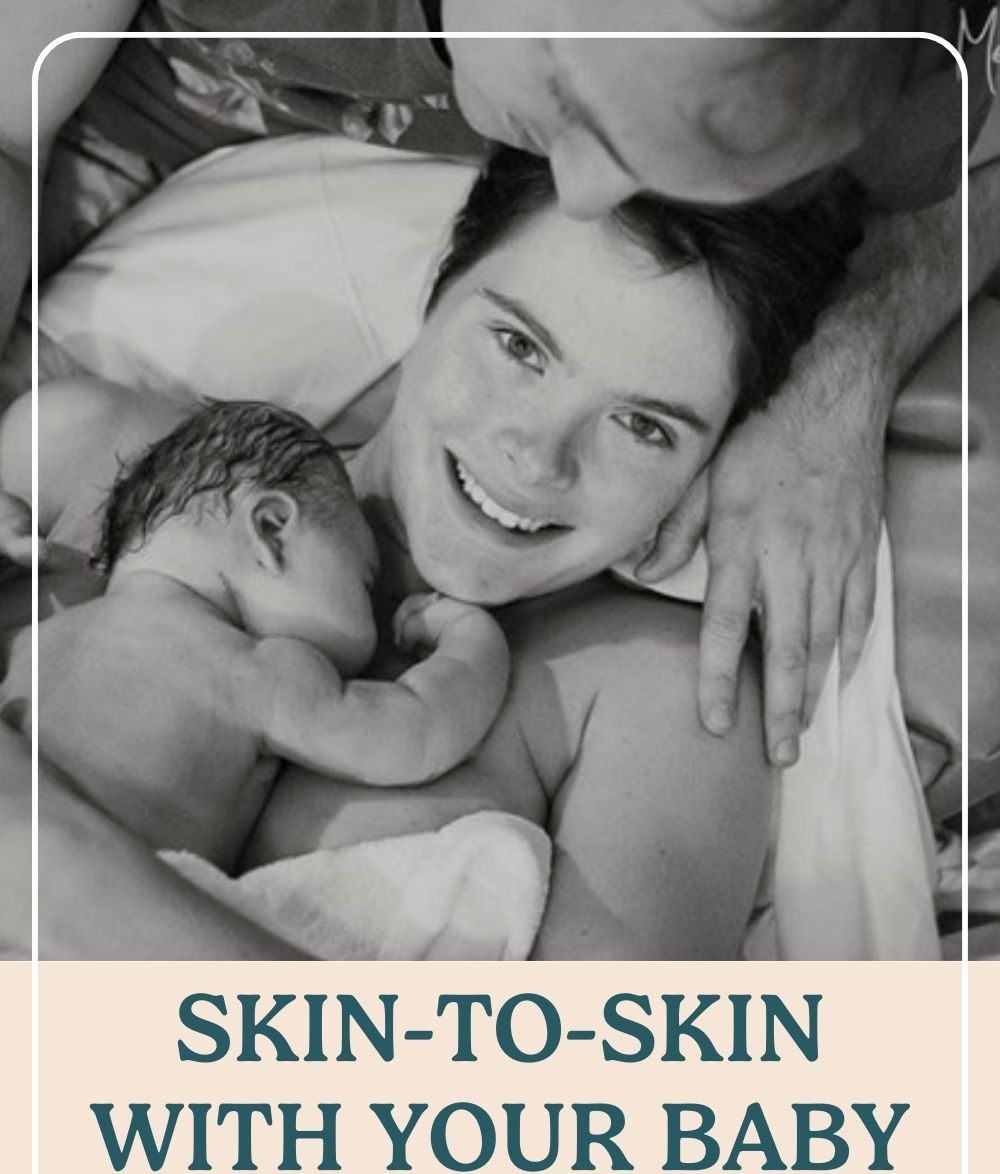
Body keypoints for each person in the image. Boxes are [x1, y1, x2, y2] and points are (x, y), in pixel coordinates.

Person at [0, 1, 994, 770]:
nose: (591, 187)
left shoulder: (889, 76)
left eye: (690, 161)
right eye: (575, 103)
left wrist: (842, 373)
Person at [0, 146, 867, 960]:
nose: (537, 456)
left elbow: (601, 1102)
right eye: (520, 347)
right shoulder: (142, 478)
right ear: (438, 292)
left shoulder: (661, 697)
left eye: (644, 426)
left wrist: (63, 871)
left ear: (710, 463)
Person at [0, 396, 510, 869]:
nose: (377, 617)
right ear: (271, 529)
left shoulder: (34, 633)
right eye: (364, 579)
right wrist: (472, 638)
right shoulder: (253, 670)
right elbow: (417, 735)